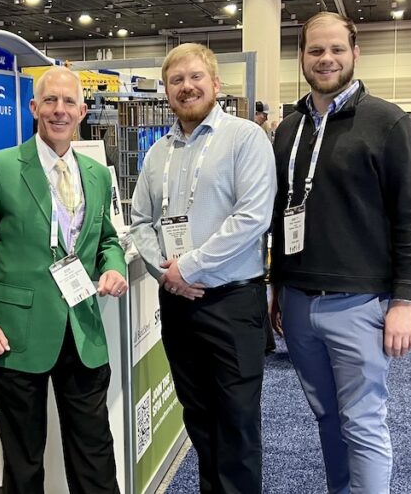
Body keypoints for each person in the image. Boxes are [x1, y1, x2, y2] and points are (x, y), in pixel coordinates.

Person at [268, 12, 411, 494]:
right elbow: (281, 213)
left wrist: (405, 300)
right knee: (326, 417)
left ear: (355, 54)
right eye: (316, 50)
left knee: (363, 421)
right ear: (301, 57)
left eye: (337, 49)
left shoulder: (386, 121)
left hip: (360, 303)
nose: (326, 59)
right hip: (297, 301)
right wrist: (277, 288)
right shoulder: (288, 129)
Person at [0, 66, 128, 493]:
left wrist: (114, 266)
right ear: (34, 107)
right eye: (50, 100)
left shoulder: (97, 174)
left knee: (95, 454)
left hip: (83, 331)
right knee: (24, 460)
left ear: (82, 111)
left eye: (69, 102)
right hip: (17, 336)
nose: (59, 110)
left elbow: (107, 239)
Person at [130, 43, 275, 493]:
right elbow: (141, 223)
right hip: (178, 305)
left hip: (232, 304)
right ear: (166, 91)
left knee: (236, 425)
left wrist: (188, 266)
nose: (186, 87)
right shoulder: (157, 154)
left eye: (195, 78)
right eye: (176, 81)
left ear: (216, 84)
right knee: (199, 419)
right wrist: (166, 274)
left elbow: (252, 218)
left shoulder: (245, 138)